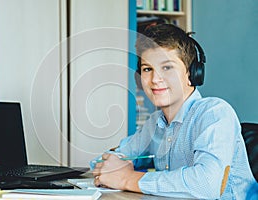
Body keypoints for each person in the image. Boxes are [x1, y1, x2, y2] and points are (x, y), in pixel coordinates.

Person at [91, 24, 256, 199]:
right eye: (148, 69)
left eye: (167, 67)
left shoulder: (214, 113)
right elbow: (106, 160)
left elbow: (207, 185)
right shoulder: (155, 123)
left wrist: (127, 178)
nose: (155, 79)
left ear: (192, 74)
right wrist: (112, 167)